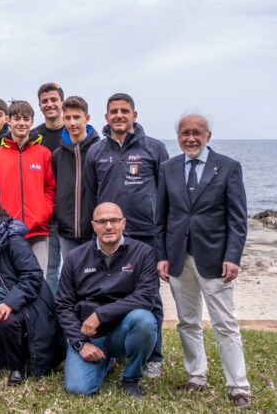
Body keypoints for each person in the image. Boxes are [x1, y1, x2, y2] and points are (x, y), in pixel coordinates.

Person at [156, 114, 252, 408]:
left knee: (224, 323)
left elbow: (237, 219)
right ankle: (196, 376)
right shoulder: (168, 168)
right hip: (177, 257)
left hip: (215, 259)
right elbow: (160, 217)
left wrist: (233, 257)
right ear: (178, 136)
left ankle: (238, 386)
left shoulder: (228, 167)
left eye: (197, 133)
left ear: (208, 135)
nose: (191, 138)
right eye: (185, 133)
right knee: (187, 321)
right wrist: (161, 255)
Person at [83, 92, 169, 377]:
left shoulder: (154, 149)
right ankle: (117, 350)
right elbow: (91, 195)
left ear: (135, 114)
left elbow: (166, 195)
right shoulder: (95, 151)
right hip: (108, 236)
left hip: (145, 235)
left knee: (150, 297)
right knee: (109, 293)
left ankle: (153, 357)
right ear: (106, 117)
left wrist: (163, 237)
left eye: (125, 110)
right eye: (113, 111)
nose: (119, 115)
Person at [57, 202, 158, 399]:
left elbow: (145, 297)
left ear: (123, 223)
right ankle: (104, 362)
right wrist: (80, 344)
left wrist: (100, 315)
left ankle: (130, 379)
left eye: (114, 220)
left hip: (124, 330)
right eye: (102, 221)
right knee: (79, 389)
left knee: (144, 320)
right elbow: (63, 305)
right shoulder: (75, 257)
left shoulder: (143, 253)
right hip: (90, 336)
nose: (109, 226)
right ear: (94, 226)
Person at [0, 190, 61, 386]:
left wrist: (9, 303)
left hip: (27, 303)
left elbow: (33, 276)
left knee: (6, 320)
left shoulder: (11, 238)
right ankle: (12, 347)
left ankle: (18, 369)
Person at [0, 101, 55, 276]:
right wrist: (0, 218)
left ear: (32, 122)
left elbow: (50, 188)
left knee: (39, 279)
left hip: (38, 230)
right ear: (9, 121)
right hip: (6, 230)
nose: (21, 123)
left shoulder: (44, 154)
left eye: (26, 119)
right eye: (17, 118)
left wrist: (44, 212)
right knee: (10, 280)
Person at [51, 96, 100, 265]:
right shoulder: (58, 155)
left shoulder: (100, 151)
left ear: (87, 118)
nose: (72, 123)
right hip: (66, 232)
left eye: (77, 117)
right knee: (72, 277)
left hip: (95, 230)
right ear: (63, 119)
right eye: (68, 118)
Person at [32, 83, 66, 301]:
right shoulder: (35, 136)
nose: (50, 104)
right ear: (40, 105)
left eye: (54, 99)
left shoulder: (73, 131)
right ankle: (51, 318)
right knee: (49, 271)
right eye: (45, 101)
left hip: (74, 216)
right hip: (48, 217)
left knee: (77, 271)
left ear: (61, 102)